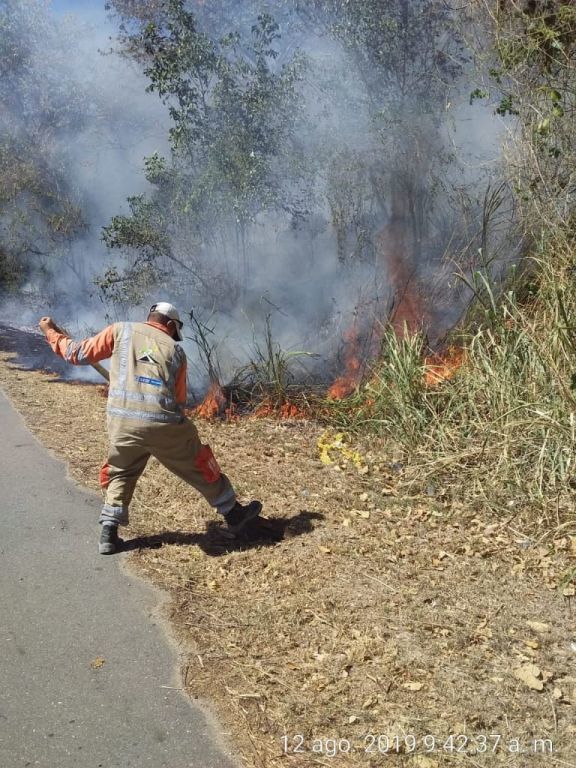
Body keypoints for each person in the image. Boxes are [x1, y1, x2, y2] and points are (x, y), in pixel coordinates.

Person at [38, 302, 262, 554]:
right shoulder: (176, 352)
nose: (173, 336)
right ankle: (234, 514)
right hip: (163, 423)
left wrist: (51, 331)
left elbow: (75, 354)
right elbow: (179, 400)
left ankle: (109, 532)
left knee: (121, 471)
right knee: (198, 462)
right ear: (169, 324)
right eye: (174, 331)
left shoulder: (119, 330)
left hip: (122, 423)